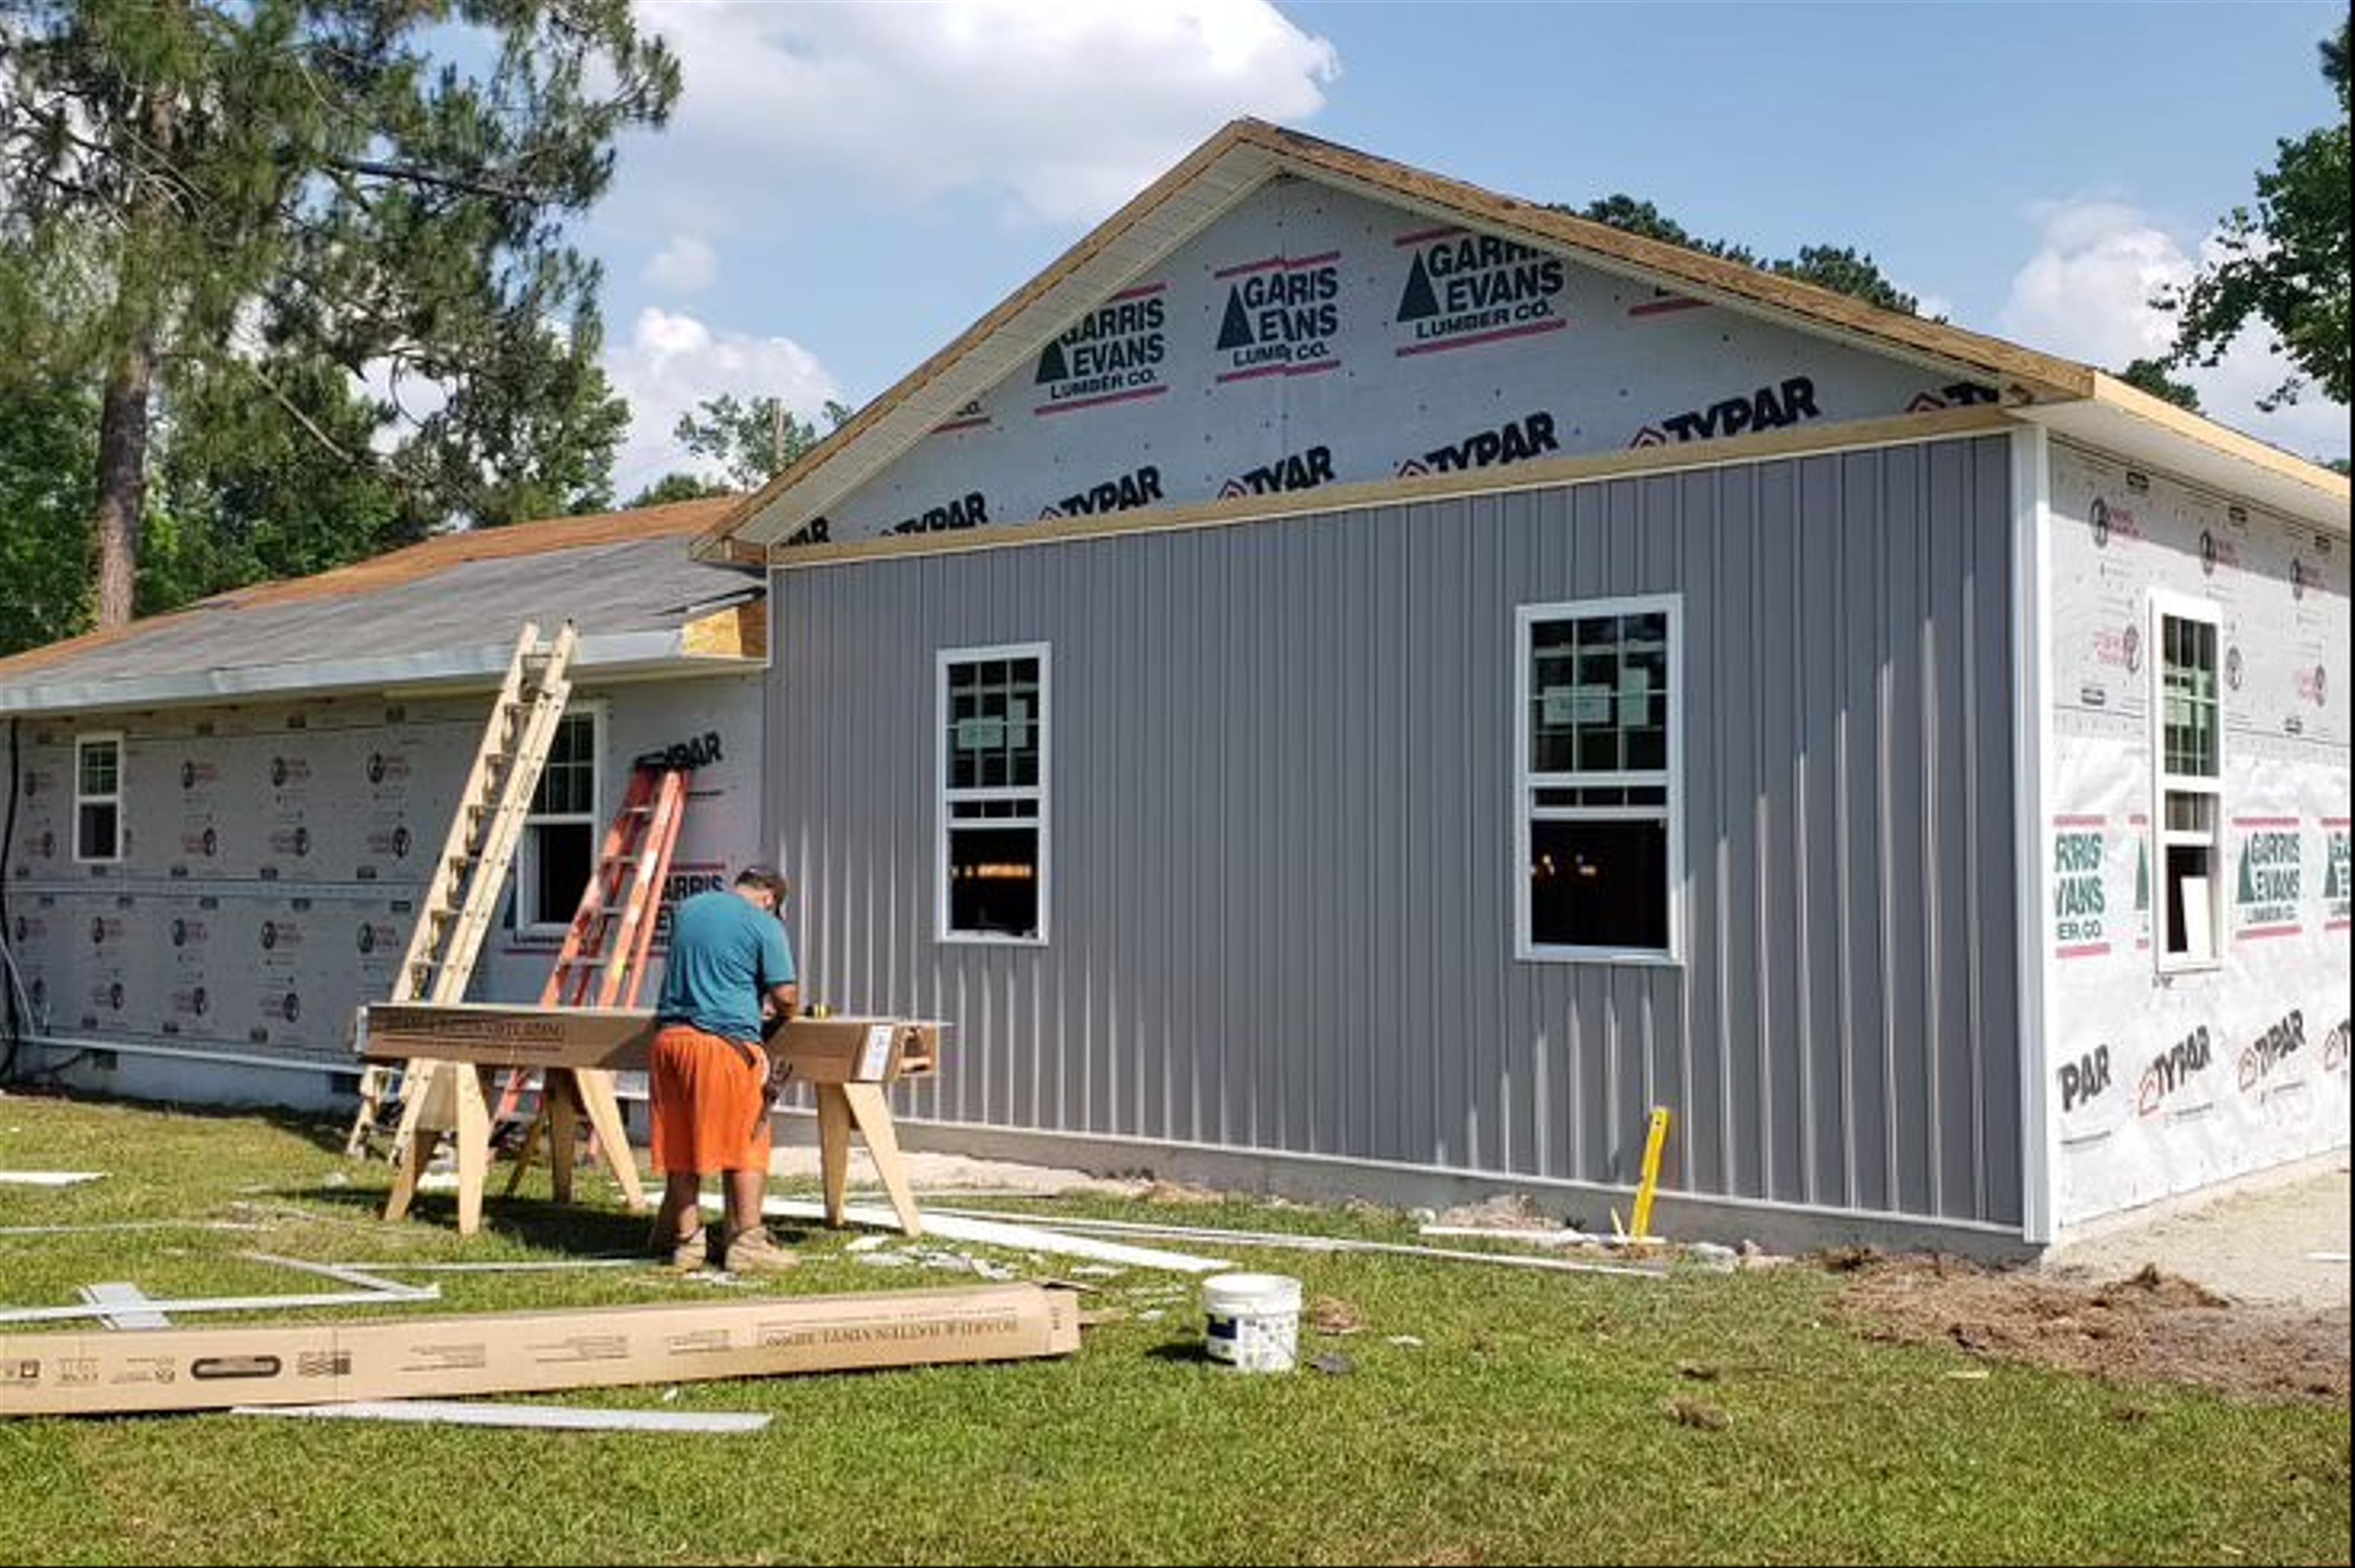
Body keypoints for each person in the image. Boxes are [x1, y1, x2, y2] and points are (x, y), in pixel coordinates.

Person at [648, 866, 800, 1271]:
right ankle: (747, 1243)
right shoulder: (763, 923)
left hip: (670, 1043)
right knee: (749, 1139)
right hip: (724, 1045)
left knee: (682, 1148)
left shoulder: (689, 908)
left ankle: (687, 1244)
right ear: (770, 898)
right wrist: (778, 1008)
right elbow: (785, 995)